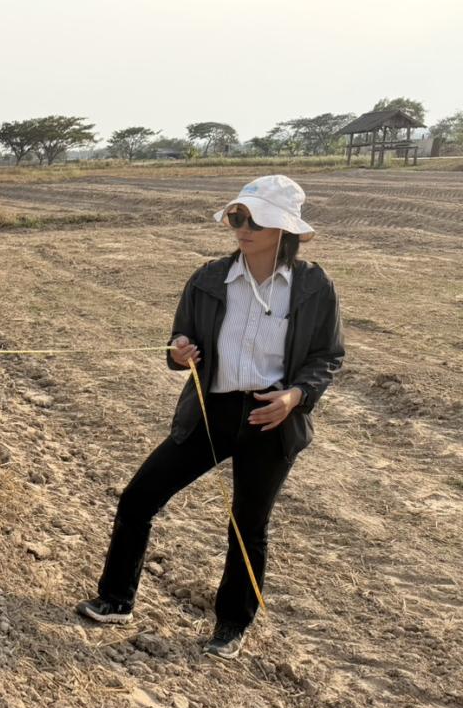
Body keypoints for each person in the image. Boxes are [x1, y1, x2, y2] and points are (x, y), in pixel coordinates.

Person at [75, 175, 345, 659]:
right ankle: (116, 599)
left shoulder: (312, 287)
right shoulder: (207, 279)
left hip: (272, 418)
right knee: (139, 498)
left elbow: (327, 355)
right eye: (236, 216)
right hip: (210, 411)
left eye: (252, 219)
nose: (240, 227)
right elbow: (179, 339)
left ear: (282, 228)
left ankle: (232, 625)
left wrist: (296, 397)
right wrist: (179, 351)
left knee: (248, 525)